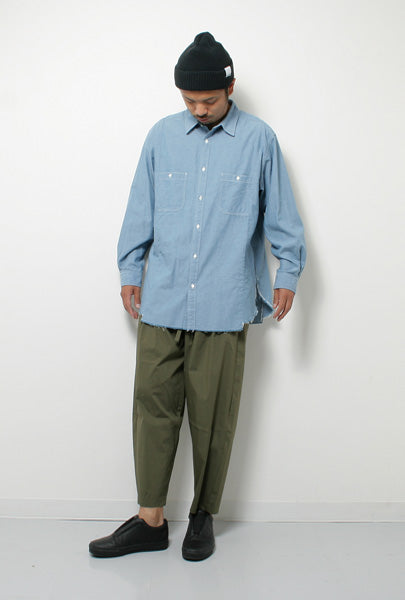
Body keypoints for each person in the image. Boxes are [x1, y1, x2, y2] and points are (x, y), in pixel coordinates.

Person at [89, 32, 306, 561]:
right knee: (152, 409)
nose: (199, 110)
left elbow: (281, 214)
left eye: (208, 100)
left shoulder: (260, 140)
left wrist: (288, 272)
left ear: (230, 88)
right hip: (162, 298)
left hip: (223, 301)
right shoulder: (161, 137)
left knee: (213, 418)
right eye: (189, 101)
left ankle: (203, 517)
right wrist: (130, 268)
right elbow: (141, 207)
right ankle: (150, 520)